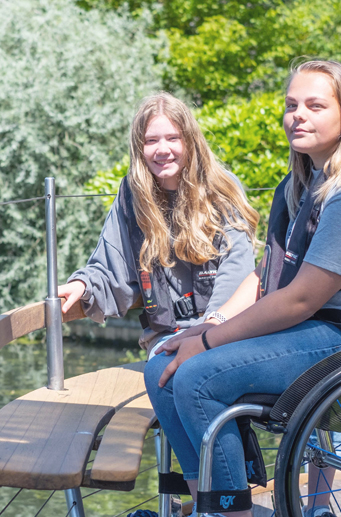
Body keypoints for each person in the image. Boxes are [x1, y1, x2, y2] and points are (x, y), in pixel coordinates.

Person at [140, 59, 341, 517]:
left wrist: (211, 343)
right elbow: (268, 281)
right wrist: (208, 324)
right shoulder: (303, 184)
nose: (298, 116)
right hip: (314, 331)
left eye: (315, 105)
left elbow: (300, 300)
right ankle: (208, 515)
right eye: (292, 105)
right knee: (162, 364)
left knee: (197, 376)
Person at [56, 92, 258, 360]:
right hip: (166, 337)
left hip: (224, 329)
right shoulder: (132, 196)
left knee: (199, 371)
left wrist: (209, 331)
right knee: (167, 373)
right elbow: (111, 265)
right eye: (151, 140)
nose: (162, 150)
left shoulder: (222, 189)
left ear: (190, 141)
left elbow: (238, 268)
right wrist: (84, 285)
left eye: (173, 138)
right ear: (140, 148)